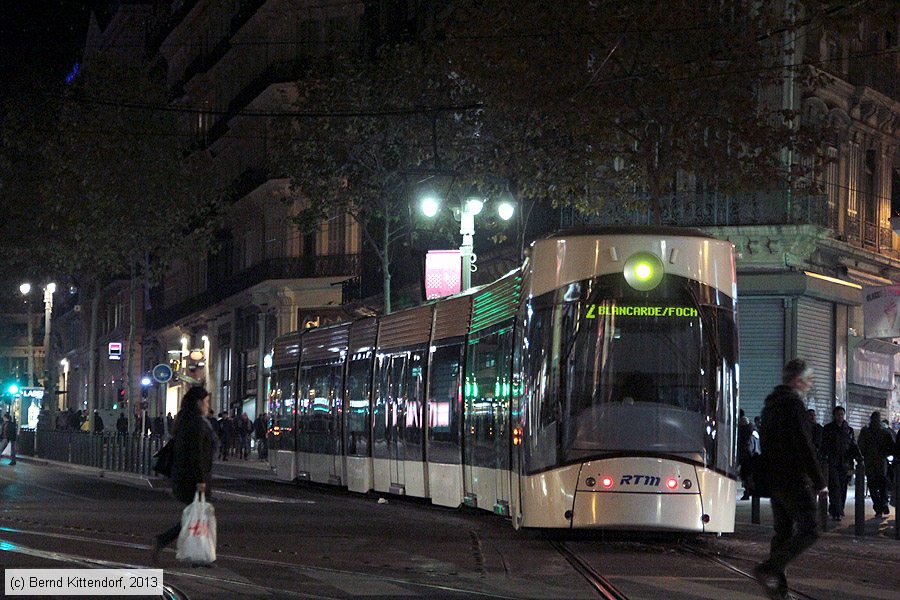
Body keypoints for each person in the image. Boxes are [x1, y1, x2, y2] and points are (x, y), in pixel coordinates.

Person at [754, 359, 827, 600]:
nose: (810, 385)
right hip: (794, 478)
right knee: (810, 529)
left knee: (783, 533)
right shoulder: (794, 405)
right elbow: (804, 445)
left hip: (775, 480)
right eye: (808, 380)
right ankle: (771, 568)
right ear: (797, 381)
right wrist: (819, 481)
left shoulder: (771, 406)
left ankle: (779, 590)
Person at [150, 386, 216, 564]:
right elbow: (197, 454)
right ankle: (195, 554)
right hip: (192, 478)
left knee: (196, 514)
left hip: (185, 476)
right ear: (199, 402)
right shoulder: (196, 423)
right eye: (206, 401)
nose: (208, 405)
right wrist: (201, 479)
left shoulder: (186, 420)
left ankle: (196, 554)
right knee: (196, 515)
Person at [820, 405, 859, 521]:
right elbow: (824, 445)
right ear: (834, 415)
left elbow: (853, 445)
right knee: (834, 487)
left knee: (842, 488)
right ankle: (836, 511)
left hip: (845, 463)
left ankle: (838, 509)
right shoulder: (828, 429)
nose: (840, 416)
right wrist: (823, 457)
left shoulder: (848, 430)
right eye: (838, 414)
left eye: (842, 414)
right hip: (832, 462)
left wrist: (859, 457)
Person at [857, 410, 893, 516]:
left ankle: (878, 507)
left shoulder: (866, 431)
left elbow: (860, 447)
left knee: (873, 486)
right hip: (881, 463)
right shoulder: (885, 432)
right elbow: (890, 447)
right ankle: (884, 503)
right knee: (882, 485)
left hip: (870, 462)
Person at [737, 410, 760, 500]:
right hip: (752, 457)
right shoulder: (753, 431)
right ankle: (748, 492)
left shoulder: (745, 433)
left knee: (747, 476)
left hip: (748, 458)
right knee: (749, 476)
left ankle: (748, 493)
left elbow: (748, 447)